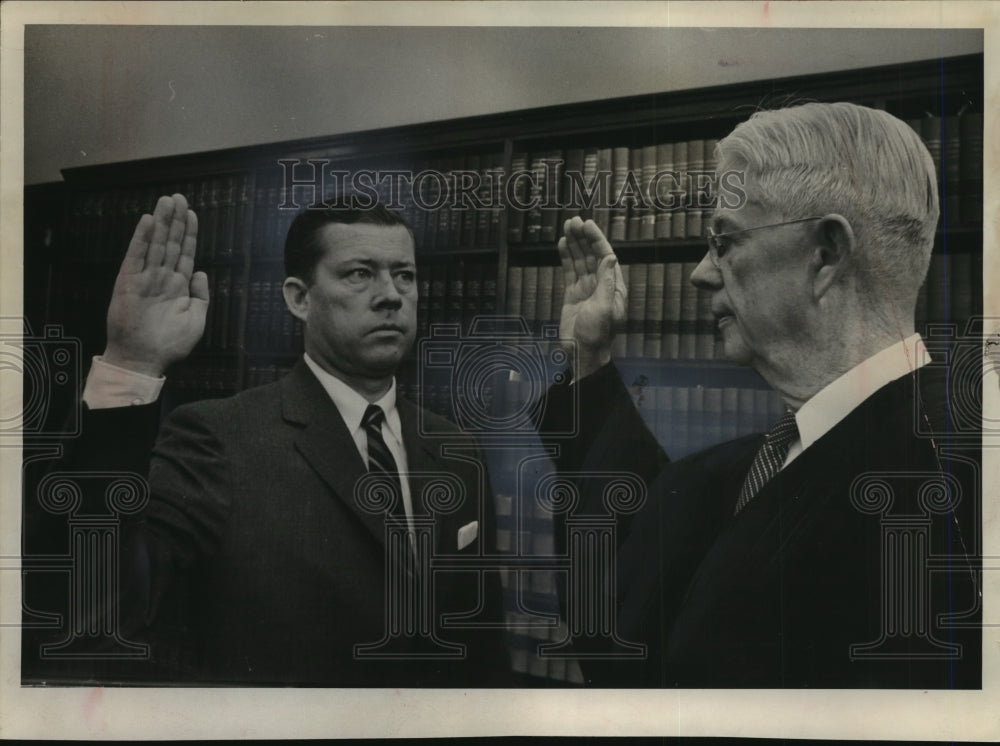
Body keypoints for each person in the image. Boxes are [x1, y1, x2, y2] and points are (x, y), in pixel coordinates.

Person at [544, 102, 981, 688]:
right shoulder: (763, 459)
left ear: (825, 254)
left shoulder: (963, 489)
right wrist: (590, 360)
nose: (700, 272)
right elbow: (637, 604)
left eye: (725, 241)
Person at [27, 195, 508, 686]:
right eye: (359, 273)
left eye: (404, 275)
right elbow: (86, 602)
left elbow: (482, 649)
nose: (391, 294)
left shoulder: (456, 450)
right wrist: (131, 364)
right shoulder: (219, 437)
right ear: (299, 298)